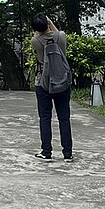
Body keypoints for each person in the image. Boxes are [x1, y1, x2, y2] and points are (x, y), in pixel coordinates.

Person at [30, 13, 74, 162]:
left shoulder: (35, 41)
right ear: (48, 23)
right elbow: (56, 33)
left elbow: (39, 36)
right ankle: (67, 153)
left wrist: (41, 27)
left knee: (45, 117)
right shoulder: (61, 36)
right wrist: (50, 23)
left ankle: (46, 152)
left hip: (43, 82)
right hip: (62, 81)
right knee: (64, 118)